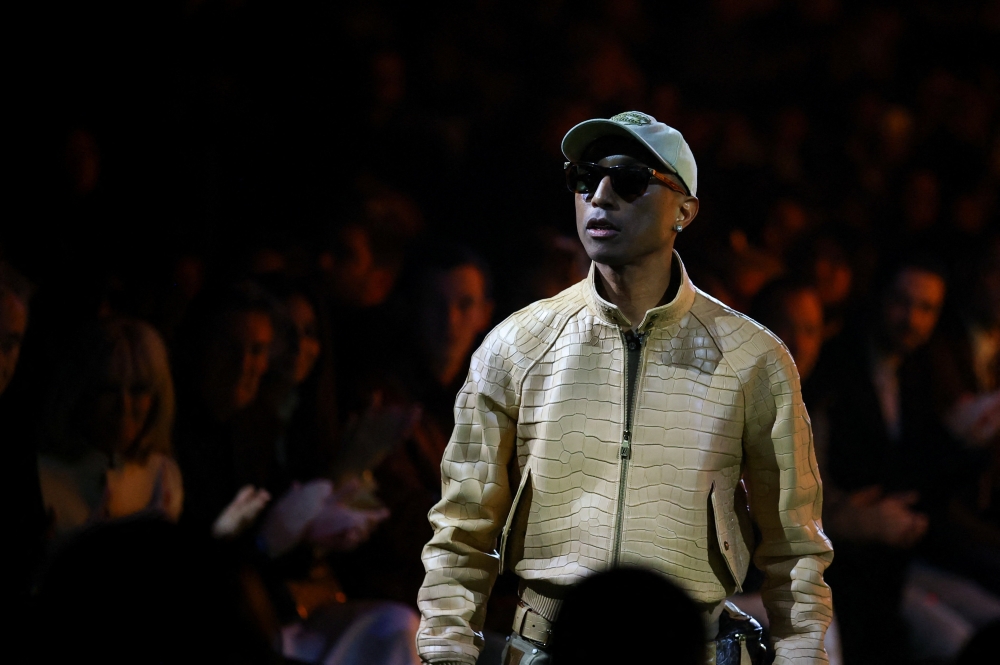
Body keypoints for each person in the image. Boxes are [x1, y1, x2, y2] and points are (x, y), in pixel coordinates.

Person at [415, 112, 833, 665]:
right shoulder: (516, 345)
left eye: (630, 179)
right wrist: (446, 653)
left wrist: (801, 656)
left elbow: (794, 544)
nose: (601, 196)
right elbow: (462, 528)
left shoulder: (753, 357)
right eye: (585, 178)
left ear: (685, 210)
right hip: (547, 647)